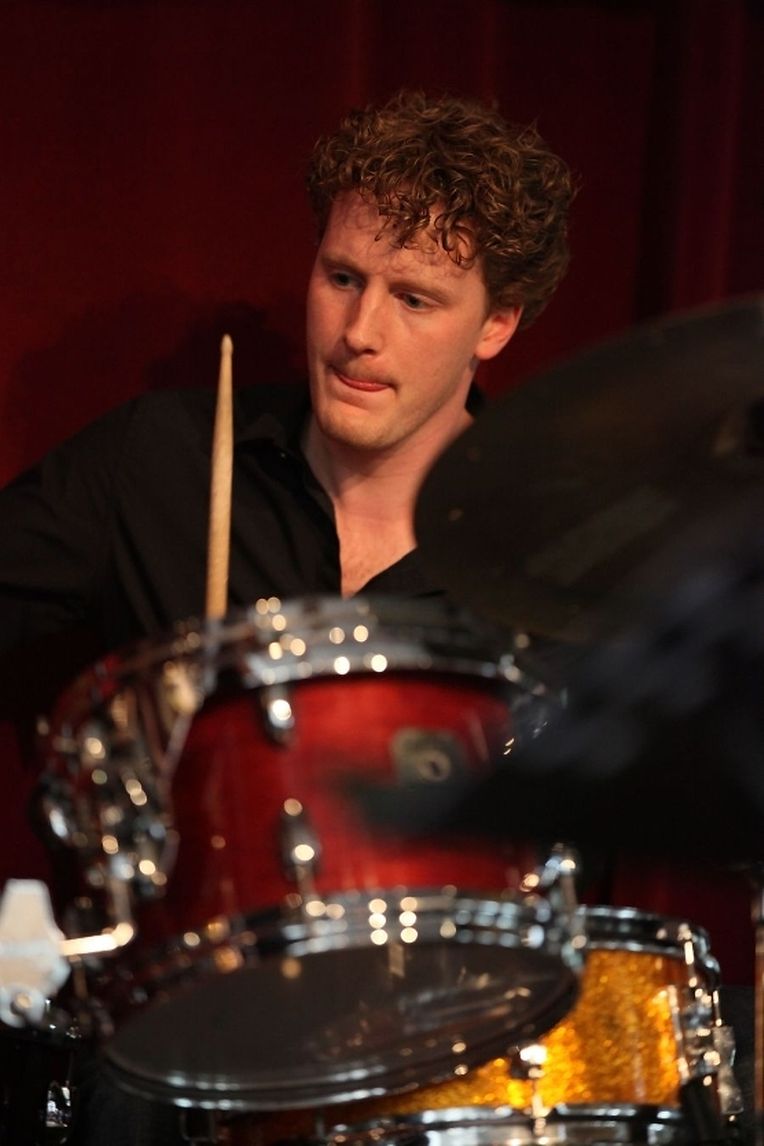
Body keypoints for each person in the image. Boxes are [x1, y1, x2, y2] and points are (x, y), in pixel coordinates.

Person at [0, 89, 575, 1144]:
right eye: (342, 278)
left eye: (415, 299)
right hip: (178, 1036)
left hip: (439, 1050)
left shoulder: (548, 559)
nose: (358, 334)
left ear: (495, 324)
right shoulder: (160, 463)